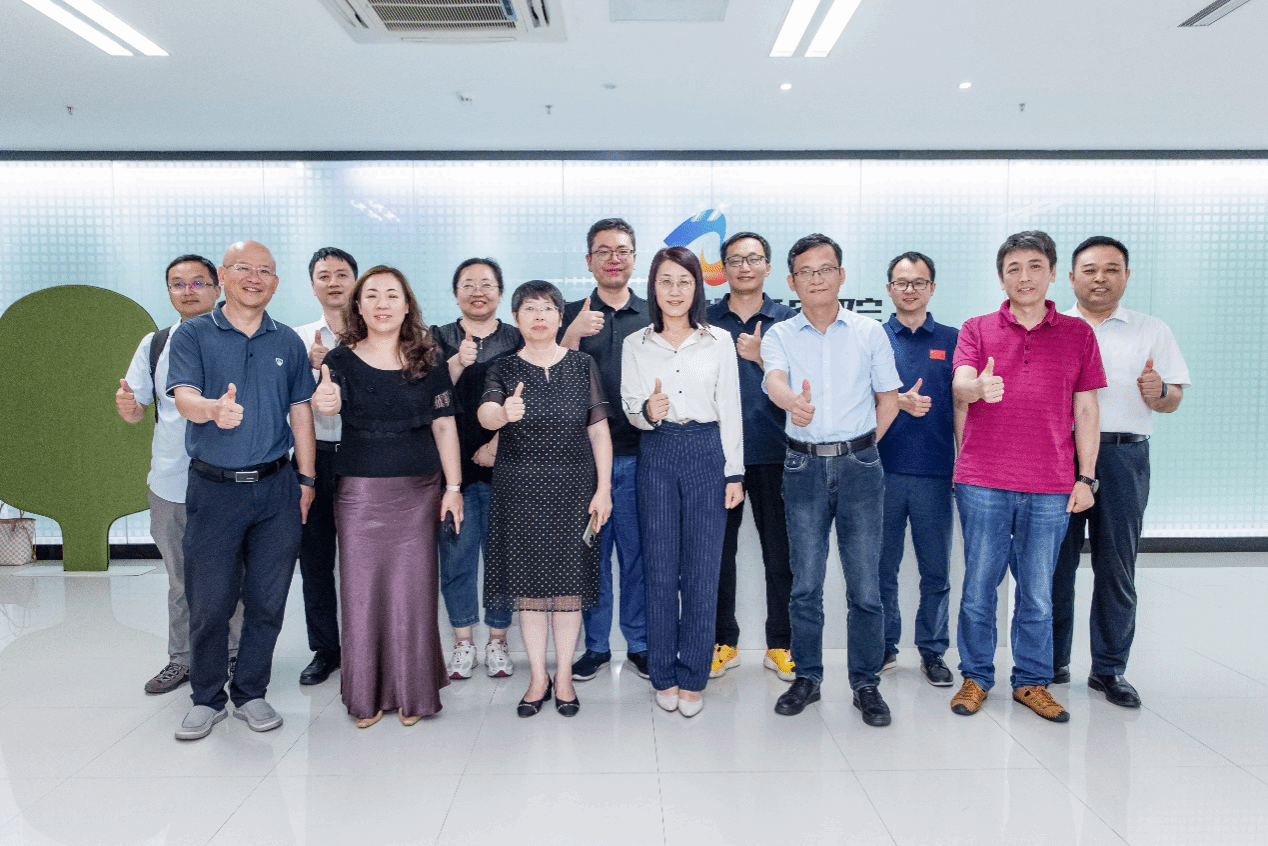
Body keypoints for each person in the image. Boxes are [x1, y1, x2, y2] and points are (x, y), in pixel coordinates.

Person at [950, 230, 1106, 723]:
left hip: (1051, 484)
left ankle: (1032, 682)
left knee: (1038, 593)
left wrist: (1087, 477)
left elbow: (1086, 409)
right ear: (1001, 277)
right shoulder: (976, 328)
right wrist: (976, 387)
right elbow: (960, 385)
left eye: (1035, 266)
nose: (1024, 277)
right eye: (1013, 268)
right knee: (979, 588)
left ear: (1053, 273)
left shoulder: (1079, 334)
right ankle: (976, 677)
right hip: (982, 481)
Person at [167, 240, 317, 741]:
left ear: (276, 282)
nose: (255, 278)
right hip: (215, 489)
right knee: (210, 602)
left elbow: (301, 412)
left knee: (268, 601)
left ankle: (251, 692)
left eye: (266, 271)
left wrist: (307, 479)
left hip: (277, 488)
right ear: (224, 276)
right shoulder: (194, 334)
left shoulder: (287, 341)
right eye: (244, 269)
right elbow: (184, 397)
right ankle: (206, 698)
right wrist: (212, 410)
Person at [312, 265, 463, 727]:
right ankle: (367, 695)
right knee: (361, 595)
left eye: (392, 295)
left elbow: (444, 425)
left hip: (419, 491)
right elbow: (327, 404)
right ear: (358, 305)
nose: (382, 303)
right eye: (372, 294)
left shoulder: (429, 358)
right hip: (359, 493)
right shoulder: (339, 361)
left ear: (406, 305)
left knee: (413, 595)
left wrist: (453, 488)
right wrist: (325, 403)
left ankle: (414, 693)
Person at [761, 233, 901, 728]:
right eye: (806, 272)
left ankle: (865, 682)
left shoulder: (870, 332)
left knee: (865, 585)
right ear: (791, 281)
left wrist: (863, 446)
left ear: (841, 275)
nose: (816, 279)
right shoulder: (779, 335)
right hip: (802, 467)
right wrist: (791, 403)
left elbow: (888, 398)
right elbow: (774, 380)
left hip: (860, 466)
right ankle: (808, 677)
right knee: (805, 584)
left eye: (825, 270)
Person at [1052, 236, 1190, 708]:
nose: (1100, 279)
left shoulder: (1152, 330)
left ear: (1126, 276)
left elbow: (1172, 400)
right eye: (1090, 270)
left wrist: (1160, 393)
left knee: (1117, 566)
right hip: (1061, 457)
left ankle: (1109, 669)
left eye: (1112, 269)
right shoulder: (1054, 328)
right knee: (1054, 564)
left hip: (1124, 458)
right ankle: (1051, 662)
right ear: (1072, 277)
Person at [480, 280, 612, 718]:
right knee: (531, 592)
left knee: (570, 590)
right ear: (516, 318)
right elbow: (486, 413)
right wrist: (503, 414)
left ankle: (565, 677)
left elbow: (598, 430)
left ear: (560, 317)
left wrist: (604, 489)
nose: (539, 316)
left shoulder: (582, 364)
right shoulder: (502, 367)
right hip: (520, 491)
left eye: (547, 308)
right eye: (529, 309)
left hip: (576, 491)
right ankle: (538, 677)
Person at [621, 247, 743, 717]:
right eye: (666, 281)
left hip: (707, 452)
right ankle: (663, 674)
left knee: (702, 570)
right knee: (659, 567)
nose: (675, 291)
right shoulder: (636, 343)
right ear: (653, 287)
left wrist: (734, 472)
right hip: (657, 452)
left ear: (697, 287)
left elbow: (730, 408)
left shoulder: (719, 341)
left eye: (684, 282)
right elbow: (631, 406)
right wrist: (647, 412)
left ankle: (693, 675)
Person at [115, 254, 242, 695]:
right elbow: (136, 407)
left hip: (229, 480)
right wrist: (129, 408)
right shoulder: (155, 344)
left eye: (198, 282)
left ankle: (235, 655)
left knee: (233, 575)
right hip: (171, 482)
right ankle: (183, 659)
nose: (188, 291)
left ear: (217, 287)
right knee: (181, 580)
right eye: (178, 284)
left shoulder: (241, 338)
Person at [704, 232, 797, 682]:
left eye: (754, 258)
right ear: (723, 267)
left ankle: (781, 644)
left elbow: (805, 386)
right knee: (718, 556)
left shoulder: (788, 321)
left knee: (781, 556)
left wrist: (761, 360)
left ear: (768, 267)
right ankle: (723, 641)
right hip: (718, 456)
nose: (745, 267)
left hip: (776, 452)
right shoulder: (704, 319)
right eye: (736, 259)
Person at [560, 218, 650, 681]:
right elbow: (548, 376)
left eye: (622, 250)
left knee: (637, 557)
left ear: (634, 258)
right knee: (590, 558)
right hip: (583, 462)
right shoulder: (566, 314)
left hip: (640, 456)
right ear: (589, 260)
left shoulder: (656, 311)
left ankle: (640, 643)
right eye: (603, 251)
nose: (613, 259)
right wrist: (572, 334)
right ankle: (595, 647)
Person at [432, 257, 522, 680]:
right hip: (453, 472)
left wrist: (496, 444)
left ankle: (498, 641)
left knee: (503, 560)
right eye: (468, 284)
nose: (478, 291)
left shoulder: (516, 338)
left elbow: (529, 399)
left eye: (487, 283)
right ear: (456, 294)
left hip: (508, 467)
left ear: (500, 293)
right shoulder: (438, 338)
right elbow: (427, 398)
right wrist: (455, 364)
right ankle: (464, 641)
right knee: (457, 558)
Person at [876, 251, 958, 687]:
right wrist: (896, 403)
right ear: (889, 288)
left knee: (936, 571)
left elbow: (965, 405)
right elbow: (854, 399)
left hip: (935, 473)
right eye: (902, 282)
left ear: (932, 288)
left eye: (919, 282)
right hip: (880, 473)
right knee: (880, 569)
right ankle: (884, 646)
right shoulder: (871, 337)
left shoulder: (954, 339)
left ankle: (933, 650)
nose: (910, 290)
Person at [293, 246, 358, 687]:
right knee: (315, 559)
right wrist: (311, 368)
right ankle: (325, 649)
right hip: (313, 457)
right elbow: (289, 402)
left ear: (356, 281)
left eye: (341, 274)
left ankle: (364, 642)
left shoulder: (375, 335)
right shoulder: (297, 339)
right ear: (312, 285)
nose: (333, 282)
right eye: (324, 275)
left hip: (362, 458)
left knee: (363, 559)